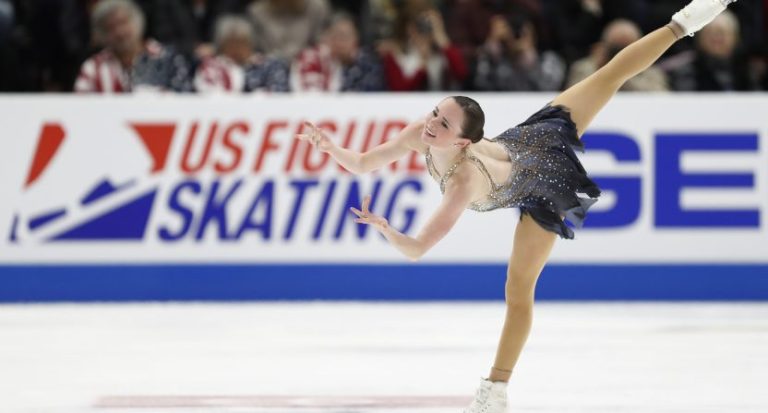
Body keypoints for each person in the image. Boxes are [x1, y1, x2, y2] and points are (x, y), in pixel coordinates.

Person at [297, 0, 737, 411]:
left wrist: (385, 228)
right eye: (434, 113)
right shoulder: (421, 133)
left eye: (443, 123)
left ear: (464, 141)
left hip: (543, 185)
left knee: (517, 288)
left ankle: (688, 19)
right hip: (529, 140)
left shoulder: (464, 180)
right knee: (605, 78)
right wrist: (328, 146)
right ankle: (500, 390)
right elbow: (361, 164)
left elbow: (416, 249)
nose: (431, 125)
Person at [74, 0, 192, 93]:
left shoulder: (168, 59)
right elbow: (81, 108)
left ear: (137, 21)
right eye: (110, 27)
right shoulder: (92, 68)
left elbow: (184, 100)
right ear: (101, 35)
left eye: (123, 22)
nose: (119, 32)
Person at [194, 15, 290, 94]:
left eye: (241, 43)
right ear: (221, 47)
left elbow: (278, 93)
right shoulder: (212, 69)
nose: (236, 49)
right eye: (230, 44)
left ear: (251, 44)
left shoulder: (270, 66)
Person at [291, 12, 384, 92]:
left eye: (345, 36)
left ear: (356, 39)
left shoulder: (368, 65)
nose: (340, 42)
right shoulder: (318, 61)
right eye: (336, 36)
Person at [566, 19, 669, 91]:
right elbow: (573, 98)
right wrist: (600, 70)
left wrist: (624, 73)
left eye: (628, 49)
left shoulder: (652, 72)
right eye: (616, 49)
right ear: (605, 46)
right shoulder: (582, 68)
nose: (621, 54)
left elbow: (660, 100)